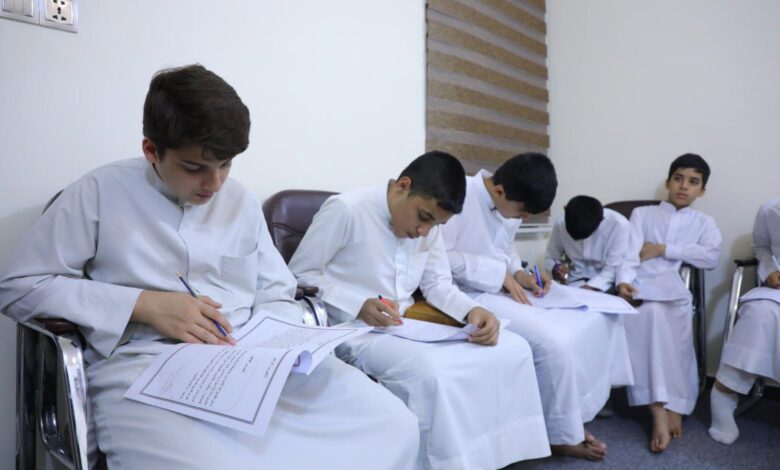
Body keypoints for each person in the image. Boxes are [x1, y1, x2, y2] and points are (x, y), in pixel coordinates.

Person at [0, 64, 419, 469]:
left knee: (392, 425)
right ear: (151, 150)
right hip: (147, 366)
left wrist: (275, 342)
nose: (215, 184)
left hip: (250, 361)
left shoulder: (239, 201)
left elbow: (276, 291)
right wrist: (143, 304)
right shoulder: (99, 191)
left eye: (226, 165)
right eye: (195, 168)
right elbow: (18, 286)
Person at [289, 151, 550, 470]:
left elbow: (438, 285)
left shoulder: (430, 226)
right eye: (424, 218)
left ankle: (498, 457)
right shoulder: (347, 209)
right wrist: (357, 303)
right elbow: (299, 275)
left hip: (406, 326)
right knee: (434, 373)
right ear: (403, 186)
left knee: (511, 347)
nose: (425, 231)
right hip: (353, 330)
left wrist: (473, 311)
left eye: (436, 224)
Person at [440, 153, 634, 460]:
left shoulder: (507, 200)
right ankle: (559, 434)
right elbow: (438, 257)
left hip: (500, 286)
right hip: (467, 294)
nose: (525, 219)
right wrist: (499, 274)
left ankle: (575, 416)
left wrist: (520, 274)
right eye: (523, 212)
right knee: (555, 344)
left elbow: (505, 250)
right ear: (500, 190)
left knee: (593, 320)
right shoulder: (458, 195)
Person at [616, 153, 722, 453]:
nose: (684, 186)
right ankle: (660, 408)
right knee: (650, 316)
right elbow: (628, 254)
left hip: (674, 291)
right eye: (678, 179)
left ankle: (674, 403)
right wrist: (623, 282)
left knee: (672, 328)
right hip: (641, 288)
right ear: (668, 182)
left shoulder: (704, 222)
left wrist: (664, 248)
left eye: (693, 182)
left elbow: (711, 257)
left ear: (702, 190)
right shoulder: (643, 214)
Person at [709, 199, 780, 445]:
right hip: (777, 292)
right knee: (759, 313)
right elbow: (761, 246)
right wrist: (769, 270)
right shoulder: (771, 210)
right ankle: (723, 396)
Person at [544, 195, 630, 293]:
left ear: (601, 221)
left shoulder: (619, 226)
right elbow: (550, 256)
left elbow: (611, 271)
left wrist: (585, 291)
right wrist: (556, 268)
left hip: (605, 283)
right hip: (573, 281)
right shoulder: (561, 223)